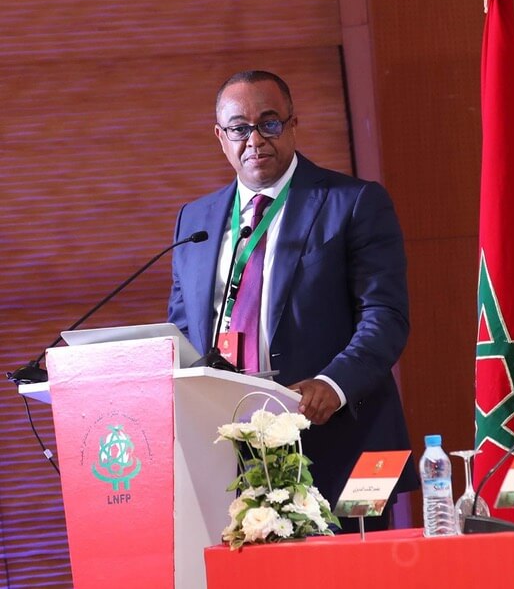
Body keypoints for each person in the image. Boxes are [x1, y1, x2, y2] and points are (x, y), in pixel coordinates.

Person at [168, 70, 417, 531]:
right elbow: (183, 334)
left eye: (269, 123)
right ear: (221, 137)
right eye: (239, 128)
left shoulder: (353, 202)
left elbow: (384, 316)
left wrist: (333, 384)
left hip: (339, 438)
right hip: (231, 452)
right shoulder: (195, 220)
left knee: (353, 569)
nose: (255, 139)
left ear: (293, 124)